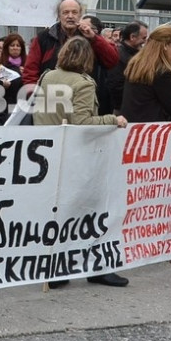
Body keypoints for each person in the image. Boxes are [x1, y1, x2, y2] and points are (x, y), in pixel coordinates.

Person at [33, 37, 129, 288]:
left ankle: (55, 269)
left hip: (49, 153)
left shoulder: (47, 77)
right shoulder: (83, 83)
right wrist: (112, 120)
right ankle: (96, 266)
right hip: (76, 156)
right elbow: (82, 122)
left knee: (57, 212)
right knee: (90, 212)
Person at [23, 0, 118, 86]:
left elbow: (112, 61)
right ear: (59, 16)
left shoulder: (90, 37)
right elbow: (30, 72)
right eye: (65, 12)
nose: (70, 16)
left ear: (80, 15)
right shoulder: (44, 38)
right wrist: (35, 95)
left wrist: (94, 38)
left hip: (83, 95)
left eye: (74, 12)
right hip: (51, 97)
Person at [121, 24, 171, 123]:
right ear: (165, 46)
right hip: (152, 127)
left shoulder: (137, 64)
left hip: (133, 125)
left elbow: (147, 98)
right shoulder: (162, 72)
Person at [107, 21, 148, 112]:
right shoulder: (118, 55)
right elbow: (116, 85)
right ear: (132, 37)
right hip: (124, 108)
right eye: (144, 38)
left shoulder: (136, 53)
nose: (145, 42)